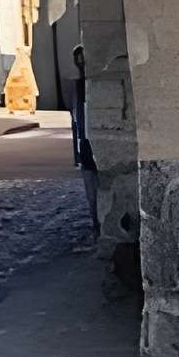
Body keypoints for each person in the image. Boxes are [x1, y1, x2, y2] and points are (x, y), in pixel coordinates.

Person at [67, 42, 100, 237]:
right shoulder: (79, 86)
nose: (81, 63)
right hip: (85, 144)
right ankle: (97, 224)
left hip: (92, 141)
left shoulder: (91, 85)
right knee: (92, 192)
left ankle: (99, 225)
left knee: (97, 188)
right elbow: (76, 120)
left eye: (83, 60)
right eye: (78, 60)